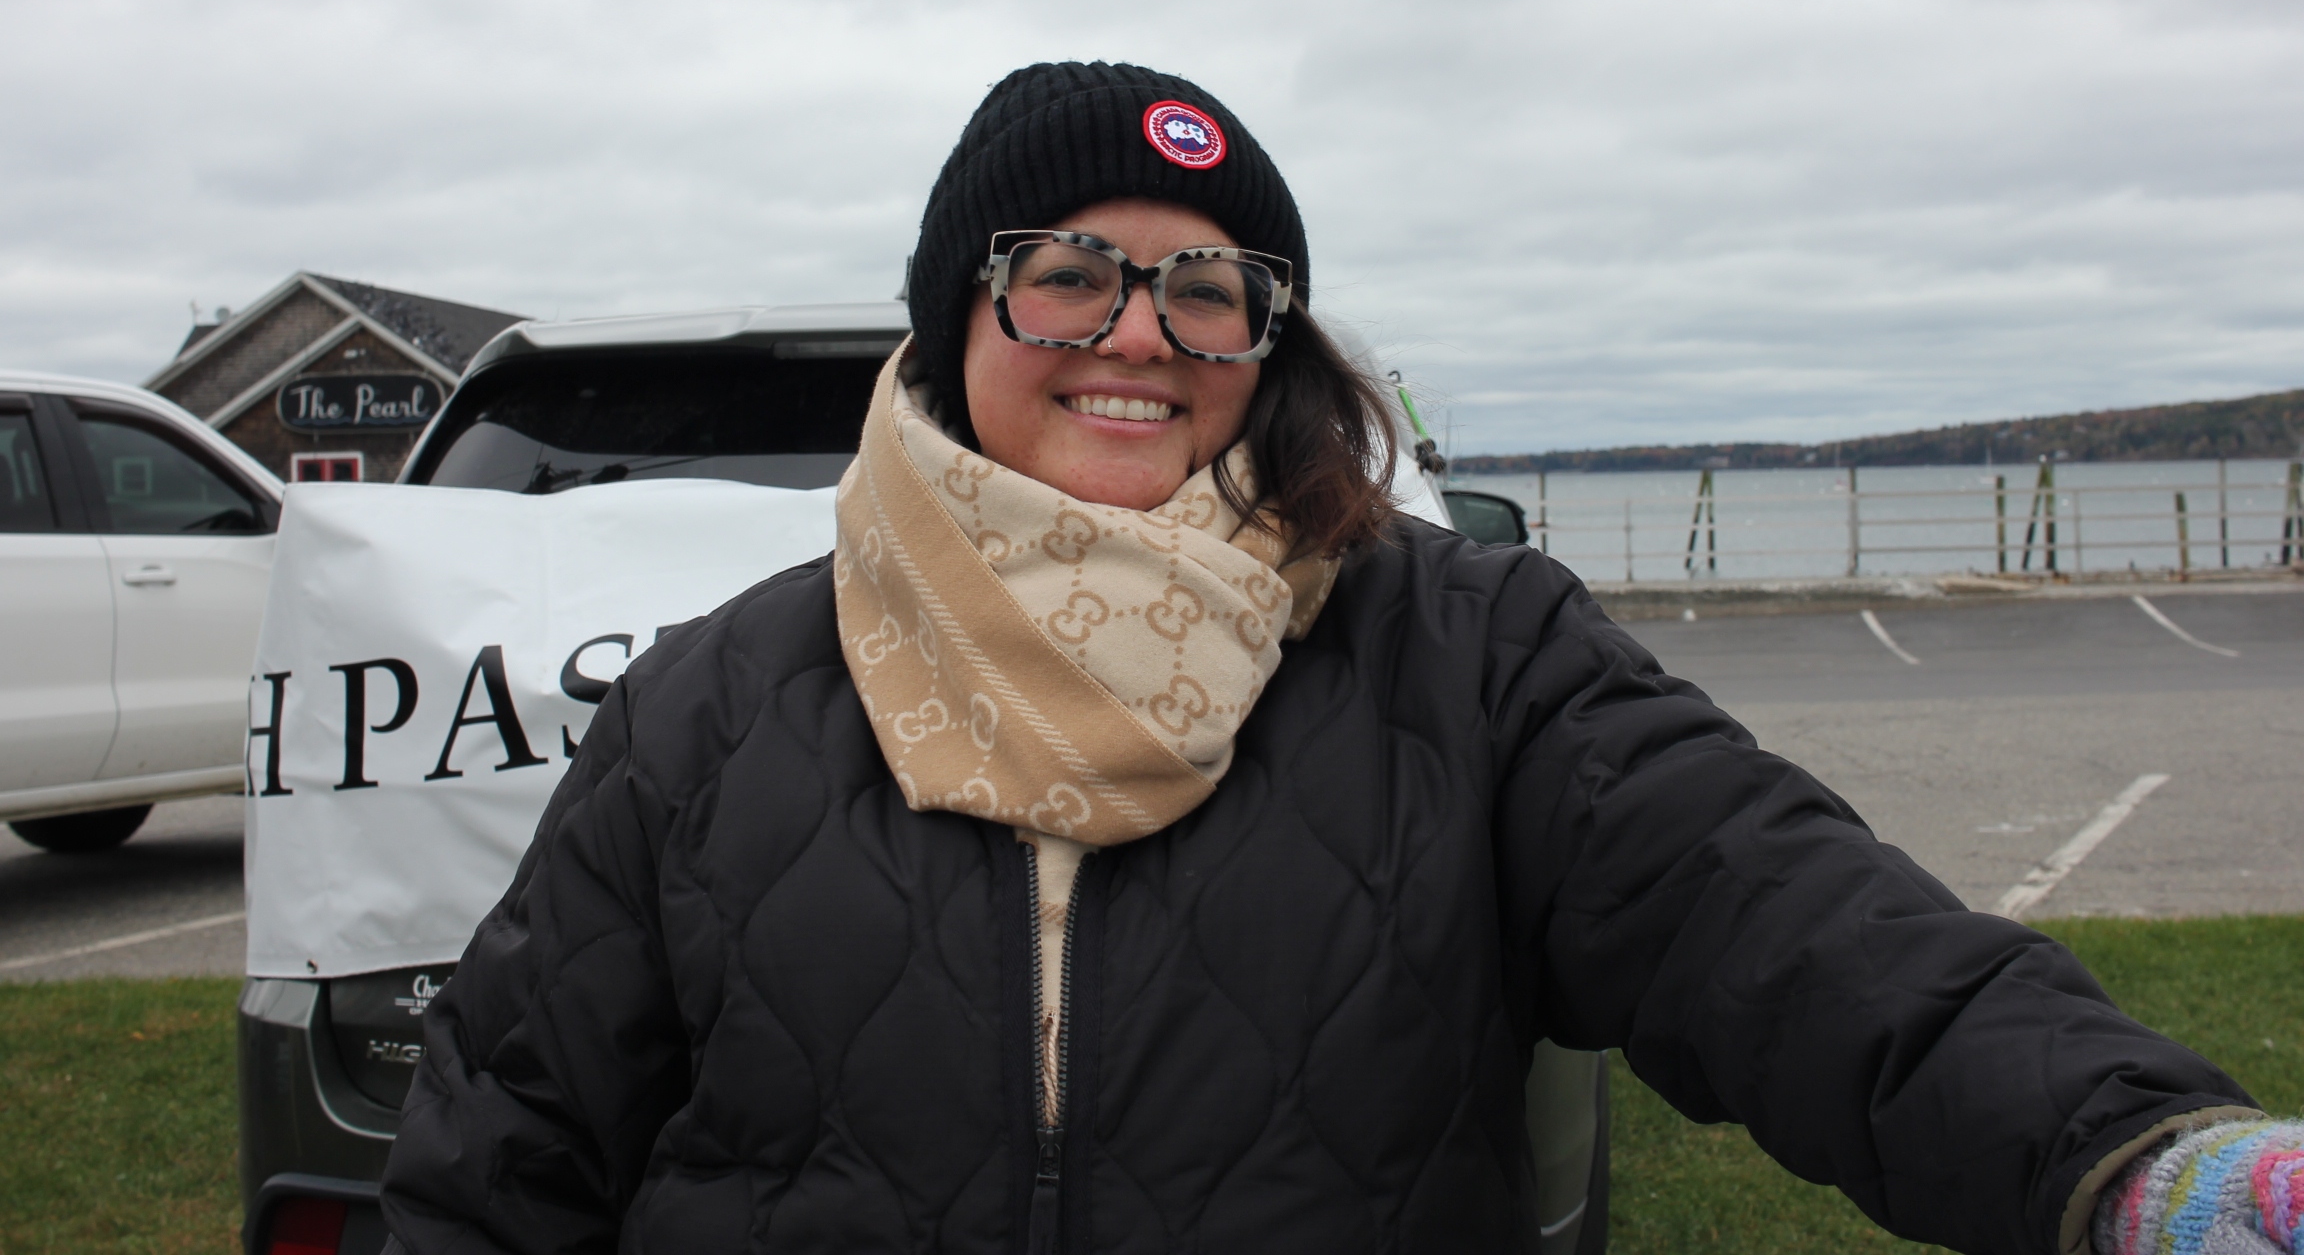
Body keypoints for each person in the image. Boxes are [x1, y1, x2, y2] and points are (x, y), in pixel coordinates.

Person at [380, 61, 2298, 1255]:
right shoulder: (720, 701)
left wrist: (2143, 1163)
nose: (1139, 330)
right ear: (956, 311)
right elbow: (506, 1151)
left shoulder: (1468, 656)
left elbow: (1799, 932)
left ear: (1266, 343)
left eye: (1206, 285)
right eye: (1068, 269)